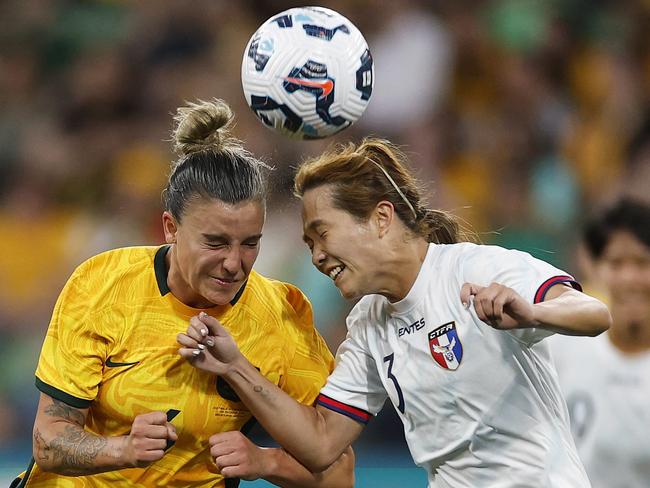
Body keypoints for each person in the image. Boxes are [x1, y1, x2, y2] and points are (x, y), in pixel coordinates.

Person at [177, 137, 612, 488]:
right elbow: (322, 442)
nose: (317, 257)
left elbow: (592, 312)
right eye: (309, 244)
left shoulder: (474, 268)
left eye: (321, 234)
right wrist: (236, 367)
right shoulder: (368, 323)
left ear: (381, 217)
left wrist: (533, 313)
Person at [13, 99, 354, 488]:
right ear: (170, 228)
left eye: (249, 243)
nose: (233, 263)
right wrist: (122, 449)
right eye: (215, 242)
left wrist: (265, 461)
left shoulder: (282, 315)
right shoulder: (103, 282)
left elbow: (338, 476)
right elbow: (48, 441)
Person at [550, 197, 650, 488]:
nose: (630, 278)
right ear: (594, 268)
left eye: (643, 263)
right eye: (616, 264)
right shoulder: (561, 347)